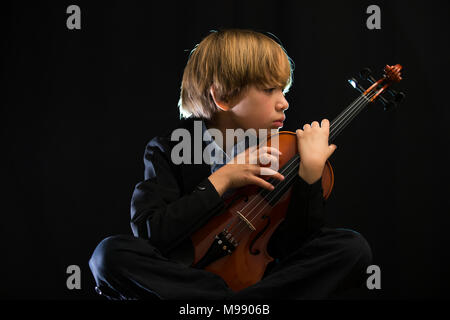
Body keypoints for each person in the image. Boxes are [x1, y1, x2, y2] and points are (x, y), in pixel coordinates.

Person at [88, 28, 372, 300]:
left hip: (255, 273)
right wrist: (222, 179)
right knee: (108, 255)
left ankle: (234, 302)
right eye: (269, 90)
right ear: (223, 97)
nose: (283, 103)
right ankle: (237, 303)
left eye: (283, 91)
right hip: (183, 271)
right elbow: (152, 232)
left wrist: (309, 177)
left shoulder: (279, 152)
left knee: (351, 248)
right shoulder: (169, 148)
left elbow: (295, 245)